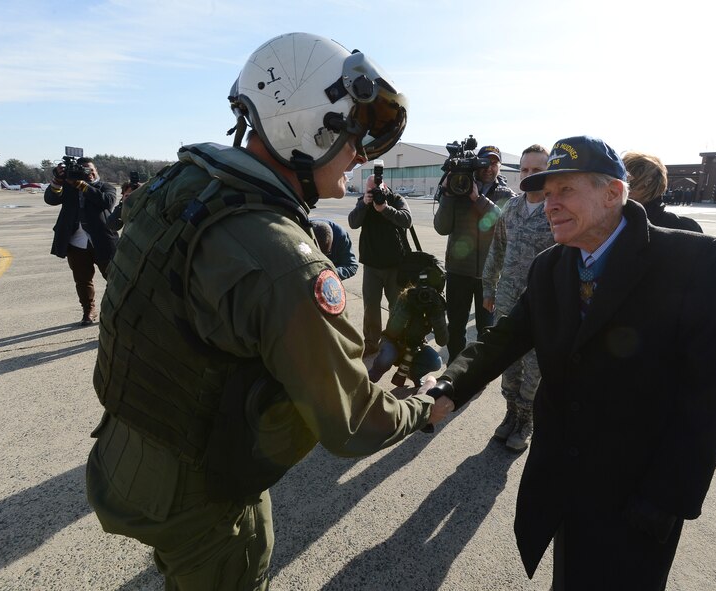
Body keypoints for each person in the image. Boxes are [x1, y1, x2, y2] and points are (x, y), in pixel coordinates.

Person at [84, 33, 454, 590]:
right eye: (352, 135)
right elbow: (351, 423)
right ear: (307, 129)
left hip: (124, 454)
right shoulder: (286, 265)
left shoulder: (181, 185)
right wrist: (422, 408)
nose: (359, 154)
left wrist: (302, 233)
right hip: (200, 492)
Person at [423, 136, 716, 589]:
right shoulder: (551, 266)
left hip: (639, 490)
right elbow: (505, 338)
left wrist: (667, 497)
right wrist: (448, 386)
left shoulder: (692, 261)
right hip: (564, 478)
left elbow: (709, 395)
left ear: (613, 192)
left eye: (565, 190)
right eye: (546, 193)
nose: (550, 204)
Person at [481, 144, 554, 452]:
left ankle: (526, 421)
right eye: (524, 169)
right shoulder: (511, 208)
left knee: (534, 369)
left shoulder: (557, 210)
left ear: (549, 172)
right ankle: (510, 415)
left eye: (537, 170)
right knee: (508, 362)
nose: (529, 175)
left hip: (542, 305)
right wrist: (489, 288)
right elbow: (496, 249)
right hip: (508, 301)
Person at [434, 144, 516, 362]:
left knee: (486, 328)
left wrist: (477, 198)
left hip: (489, 275)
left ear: (500, 166)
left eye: (494, 163)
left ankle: (479, 370)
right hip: (458, 271)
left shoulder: (506, 194)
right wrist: (448, 193)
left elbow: (504, 223)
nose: (489, 168)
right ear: (475, 164)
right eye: (484, 163)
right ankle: (453, 367)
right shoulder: (458, 187)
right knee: (456, 326)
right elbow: (441, 228)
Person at [44, 157, 118, 325]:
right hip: (76, 242)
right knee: (82, 280)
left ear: (96, 170)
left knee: (114, 278)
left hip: (103, 241)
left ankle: (119, 308)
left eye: (91, 170)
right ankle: (88, 310)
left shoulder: (106, 187)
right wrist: (58, 180)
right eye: (85, 170)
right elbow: (51, 199)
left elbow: (106, 202)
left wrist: (81, 185)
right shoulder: (69, 188)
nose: (89, 173)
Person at [348, 176, 412, 355]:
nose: (374, 193)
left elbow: (407, 220)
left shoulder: (396, 200)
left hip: (395, 265)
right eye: (370, 190)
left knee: (397, 307)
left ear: (384, 187)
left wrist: (385, 209)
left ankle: (395, 342)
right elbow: (353, 223)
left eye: (376, 190)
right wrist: (364, 204)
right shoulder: (363, 203)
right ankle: (371, 343)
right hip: (371, 266)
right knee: (371, 307)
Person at [368, 253, 448, 387]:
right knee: (387, 357)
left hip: (416, 346)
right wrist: (408, 308)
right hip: (393, 342)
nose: (425, 295)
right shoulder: (407, 296)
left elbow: (442, 341)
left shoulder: (436, 303)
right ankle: (371, 378)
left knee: (435, 362)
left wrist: (437, 315)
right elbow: (392, 331)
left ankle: (414, 373)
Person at [622, 151, 702, 232]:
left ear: (650, 184)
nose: (623, 189)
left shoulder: (685, 228)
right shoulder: (613, 223)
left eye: (630, 184)